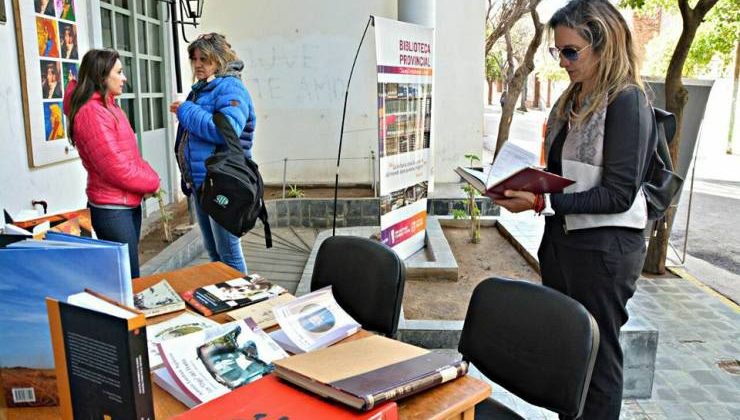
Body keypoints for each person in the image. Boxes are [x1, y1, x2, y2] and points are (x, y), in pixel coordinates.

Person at [494, 1, 655, 418]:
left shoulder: (627, 101)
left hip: (604, 252)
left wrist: (542, 200)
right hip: (563, 241)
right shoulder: (573, 96)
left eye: (571, 51)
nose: (562, 62)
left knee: (598, 362)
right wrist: (525, 185)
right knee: (569, 354)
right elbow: (566, 172)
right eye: (558, 51)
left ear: (604, 46)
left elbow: (619, 193)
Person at [63, 49, 160, 278]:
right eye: (119, 72)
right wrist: (152, 182)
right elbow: (115, 167)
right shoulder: (91, 113)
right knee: (127, 278)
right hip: (112, 209)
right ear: (101, 76)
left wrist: (147, 179)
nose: (124, 78)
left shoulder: (109, 105)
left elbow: (130, 156)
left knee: (128, 275)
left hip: (125, 204)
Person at [170, 33, 256, 273]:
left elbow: (224, 130)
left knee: (229, 254)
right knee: (215, 254)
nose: (198, 65)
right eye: (195, 59)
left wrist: (186, 110)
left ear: (219, 59)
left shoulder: (231, 88)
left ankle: (243, 301)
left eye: (204, 59)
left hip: (224, 183)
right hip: (204, 182)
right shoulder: (204, 89)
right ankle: (226, 299)